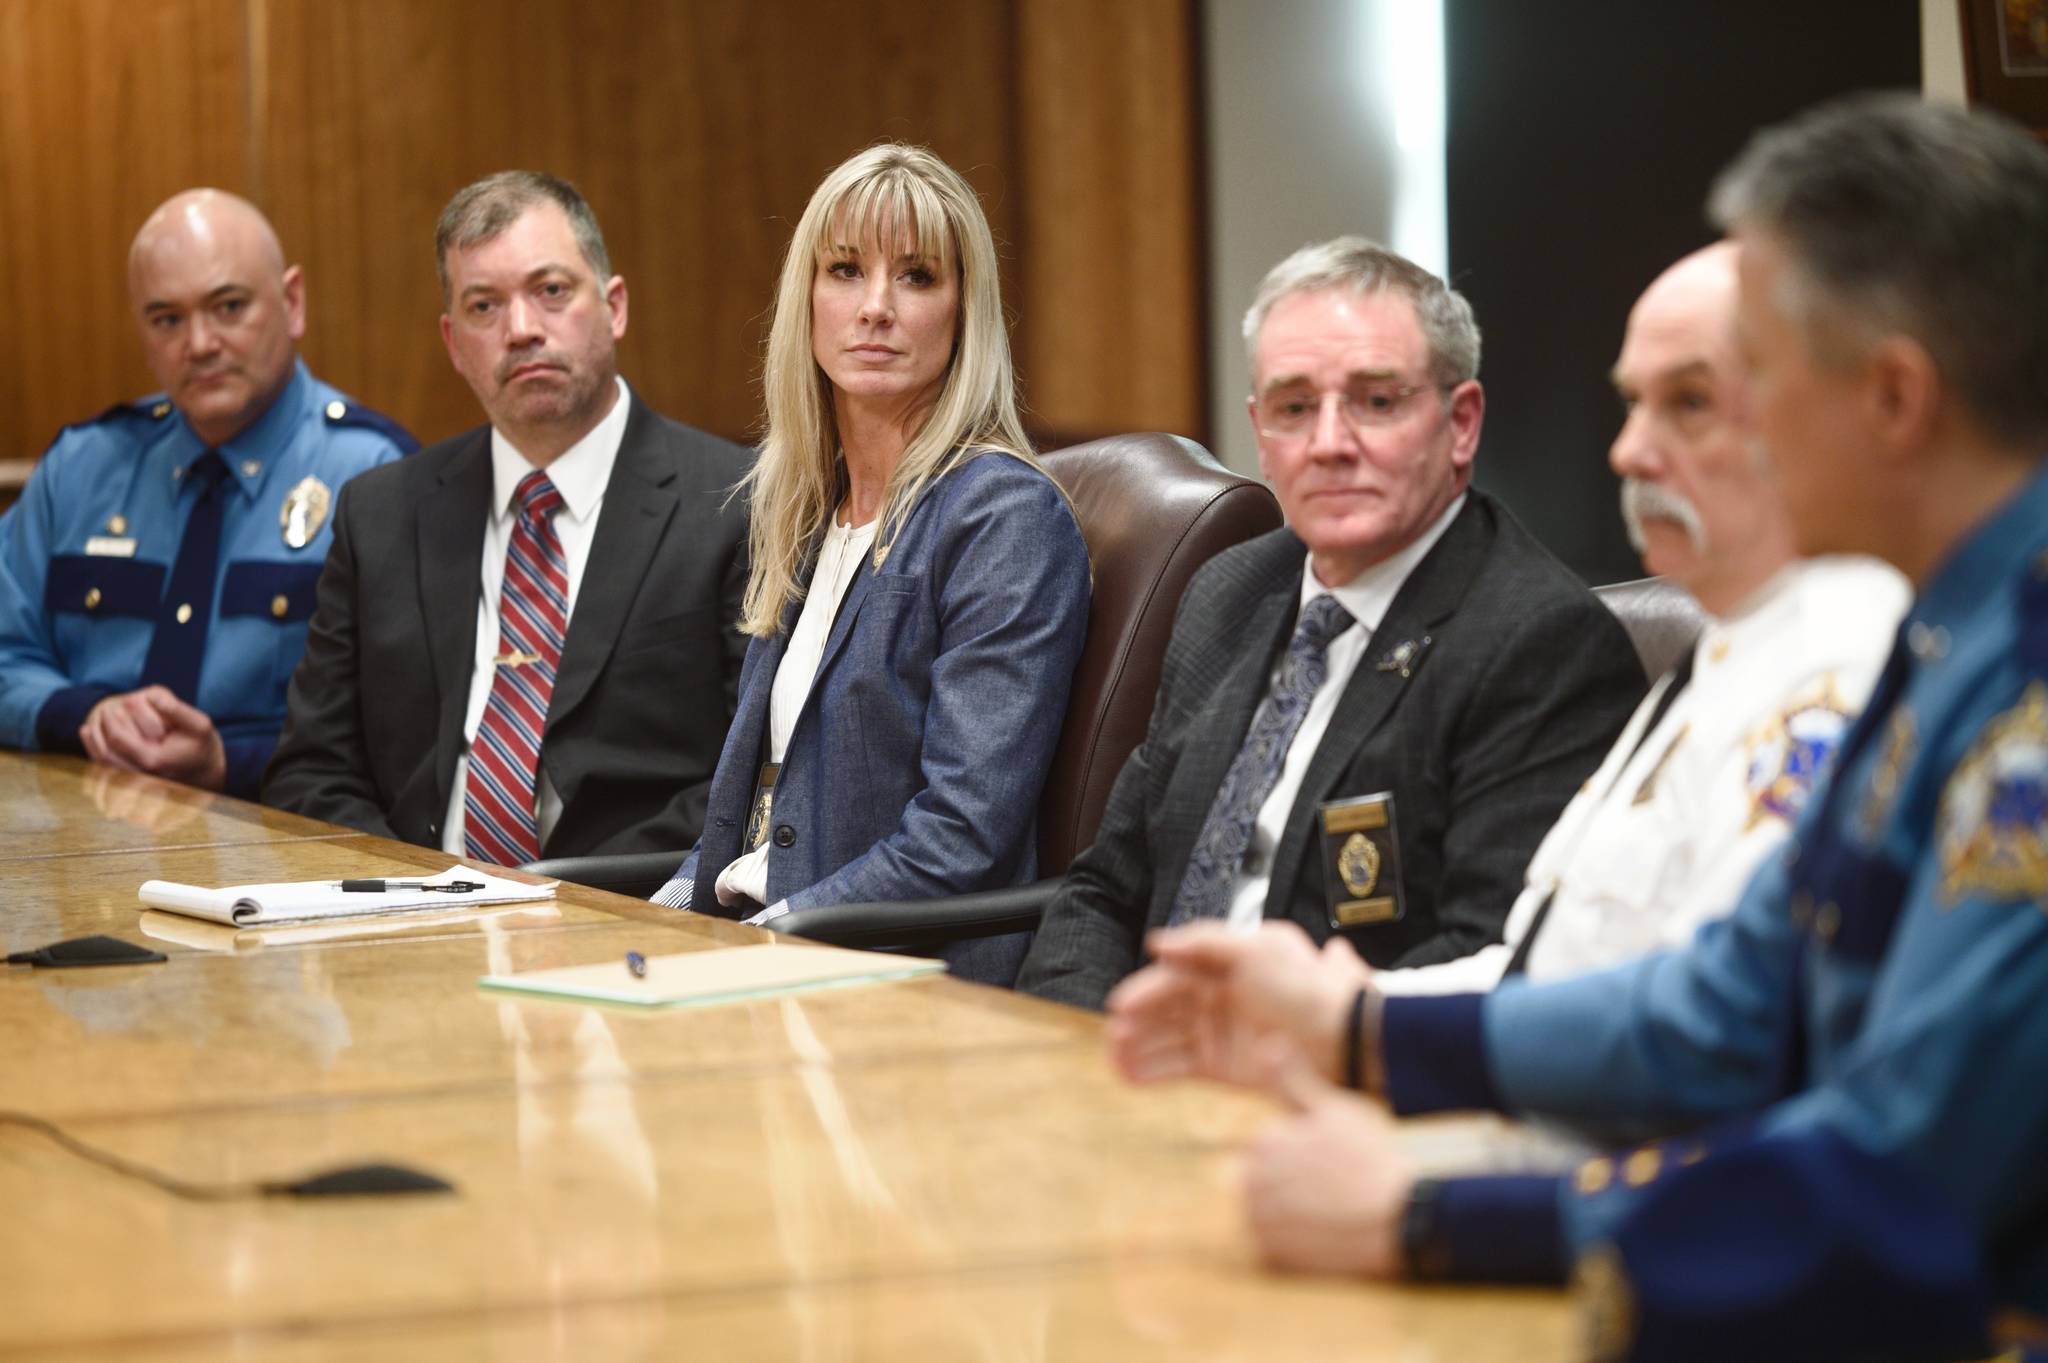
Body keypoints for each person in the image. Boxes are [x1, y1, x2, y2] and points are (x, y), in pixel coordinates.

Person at [1109, 94, 2048, 1359]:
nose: (1638, 447)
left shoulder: (2005, 677)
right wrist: (1357, 1030)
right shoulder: (1946, 632)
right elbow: (1727, 1005)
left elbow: (1901, 1179)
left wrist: (1430, 1218)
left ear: (1890, 398)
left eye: (1751, 380)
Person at [1107, 242, 1907, 1061]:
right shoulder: (1728, 649)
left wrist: (1336, 1031)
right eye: (1634, 403)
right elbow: (1538, 963)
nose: (1629, 450)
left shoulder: (1834, 662)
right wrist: (1339, 1016)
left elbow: (1719, 1031)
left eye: (1691, 402)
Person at [1014, 237, 1645, 1010]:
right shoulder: (1230, 592)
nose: (1329, 444)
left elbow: (1491, 960)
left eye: (1377, 402)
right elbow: (1106, 888)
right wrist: (1079, 1039)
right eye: (1295, 408)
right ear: (1261, 435)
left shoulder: (1540, 643)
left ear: (1461, 423)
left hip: (1336, 1063)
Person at [650, 144, 1091, 985]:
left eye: (917, 276)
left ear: (965, 311)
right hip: (769, 953)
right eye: (846, 270)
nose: (877, 307)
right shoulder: (809, 510)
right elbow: (748, 816)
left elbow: (960, 835)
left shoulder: (1002, 516)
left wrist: (762, 941)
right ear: (807, 301)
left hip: (894, 980)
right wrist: (657, 921)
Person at [264, 171, 749, 859]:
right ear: (453, 343)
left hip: (632, 906)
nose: (520, 330)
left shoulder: (733, 502)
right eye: (484, 306)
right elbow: (312, 770)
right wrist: (415, 891)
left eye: (551, 291)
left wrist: (576, 900)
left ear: (614, 307)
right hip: (416, 904)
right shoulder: (381, 515)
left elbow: (752, 781)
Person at [0, 189, 414, 798]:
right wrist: (85, 714)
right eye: (167, 319)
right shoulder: (81, 467)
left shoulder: (375, 475)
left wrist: (229, 762)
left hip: (281, 830)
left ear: (292, 303)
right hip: (82, 820)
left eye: (229, 307)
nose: (199, 343)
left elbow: (401, 727)